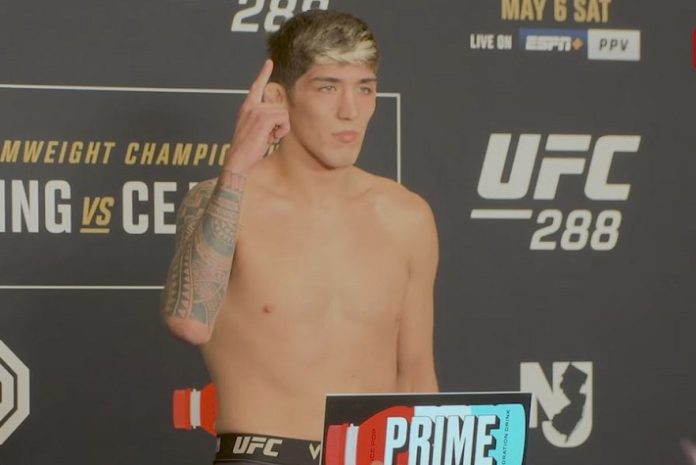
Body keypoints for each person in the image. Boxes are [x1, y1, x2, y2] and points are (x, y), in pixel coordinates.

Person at [161, 9, 439, 465]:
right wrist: (238, 167)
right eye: (327, 87)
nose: (350, 111)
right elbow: (189, 322)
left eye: (364, 89)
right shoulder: (222, 201)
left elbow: (416, 379)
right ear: (277, 97)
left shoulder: (406, 216)